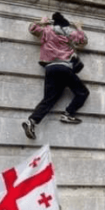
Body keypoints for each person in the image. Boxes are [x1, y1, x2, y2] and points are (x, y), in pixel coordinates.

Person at [22, 12, 90, 140]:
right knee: (82, 92)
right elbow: (83, 40)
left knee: (49, 99)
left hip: (50, 69)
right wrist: (79, 27)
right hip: (64, 68)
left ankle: (32, 121)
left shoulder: (47, 31)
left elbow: (32, 28)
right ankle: (68, 113)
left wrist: (41, 22)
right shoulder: (69, 32)